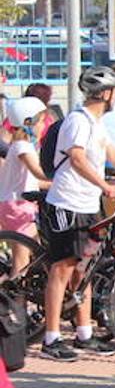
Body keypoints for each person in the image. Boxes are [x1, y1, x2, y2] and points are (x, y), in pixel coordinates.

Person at [39, 67, 115, 361]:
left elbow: (114, 155)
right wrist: (105, 186)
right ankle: (51, 338)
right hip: (67, 202)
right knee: (62, 268)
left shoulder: (96, 123)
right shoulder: (77, 121)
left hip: (88, 206)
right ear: (105, 94)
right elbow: (77, 159)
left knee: (84, 268)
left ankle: (84, 334)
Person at [0, 97, 51, 279]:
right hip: (19, 207)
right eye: (41, 121)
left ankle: (15, 290)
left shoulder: (16, 146)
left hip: (12, 205)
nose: (43, 126)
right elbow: (39, 173)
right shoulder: (23, 147)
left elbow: (33, 181)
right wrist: (63, 175)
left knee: (30, 255)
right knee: (22, 262)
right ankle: (14, 295)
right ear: (28, 122)